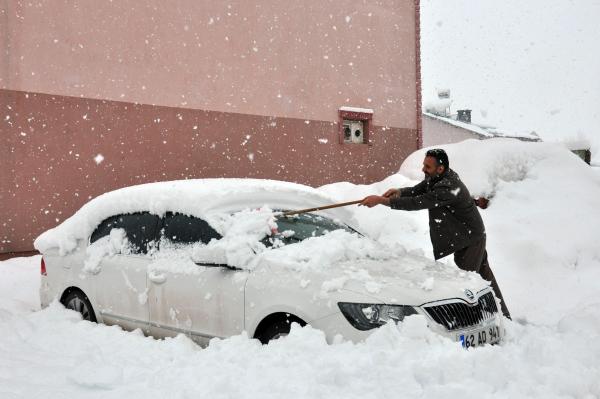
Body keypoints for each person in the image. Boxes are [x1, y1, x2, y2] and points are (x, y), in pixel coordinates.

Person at [359, 149, 511, 319]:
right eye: (424, 165)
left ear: (440, 168)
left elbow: (418, 202)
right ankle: (503, 317)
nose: (423, 169)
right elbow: (419, 190)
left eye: (427, 166)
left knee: (467, 285)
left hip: (470, 239)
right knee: (484, 277)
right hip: (467, 235)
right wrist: (400, 192)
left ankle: (468, 322)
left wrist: (382, 201)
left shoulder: (448, 186)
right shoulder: (436, 177)